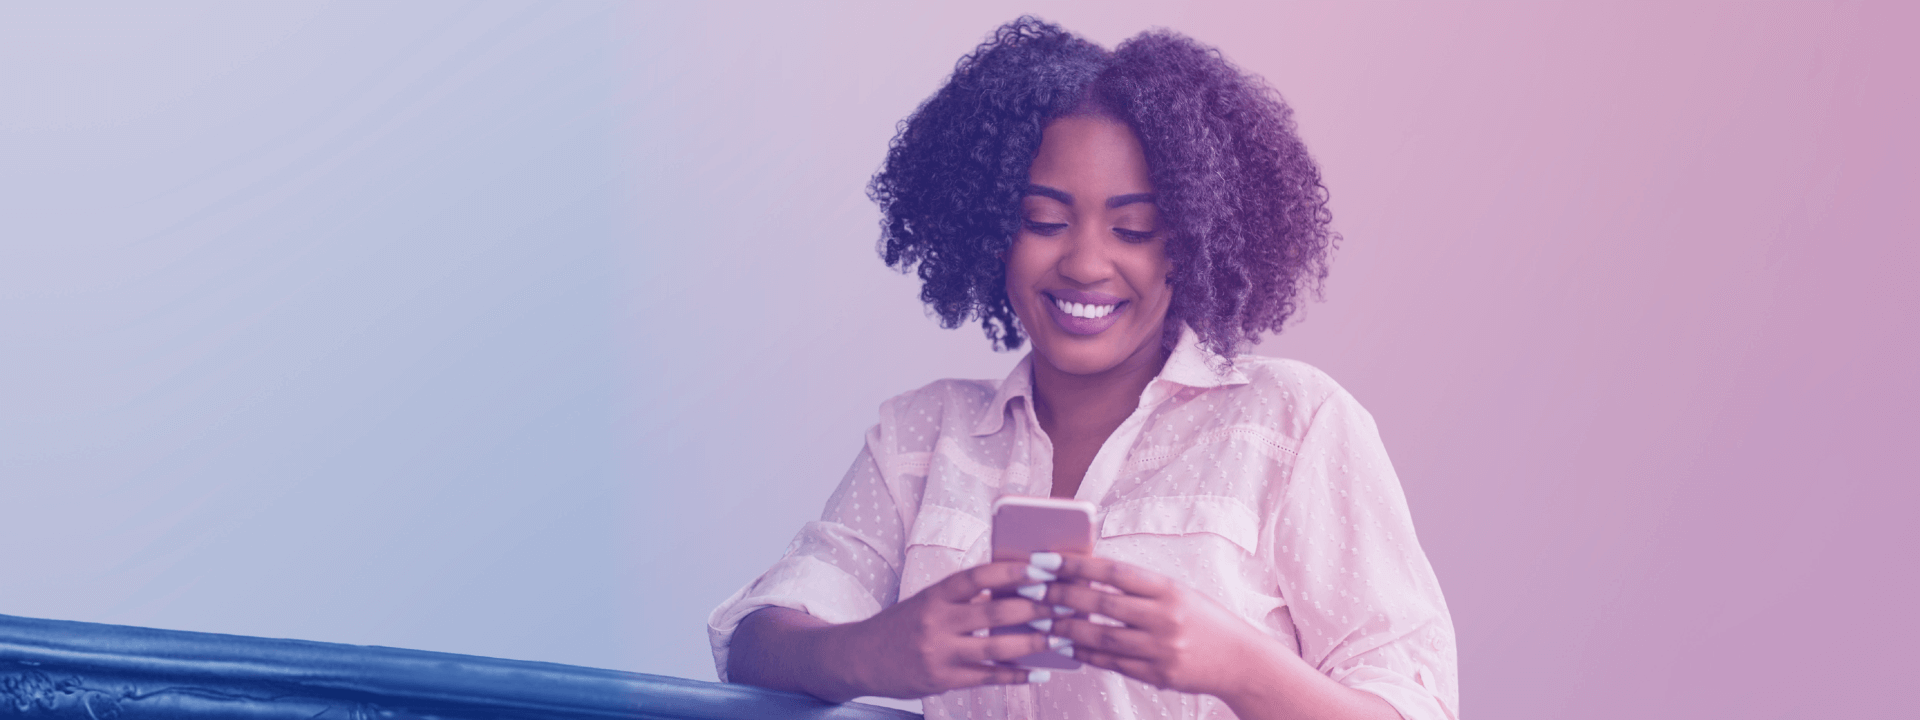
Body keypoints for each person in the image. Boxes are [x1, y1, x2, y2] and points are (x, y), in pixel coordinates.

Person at [708, 17, 1457, 720]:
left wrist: (1232, 662)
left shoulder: (1292, 425)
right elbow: (755, 642)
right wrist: (877, 652)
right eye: (1044, 222)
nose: (1086, 263)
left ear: (1188, 244)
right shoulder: (923, 437)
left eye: (1134, 229)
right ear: (993, 228)